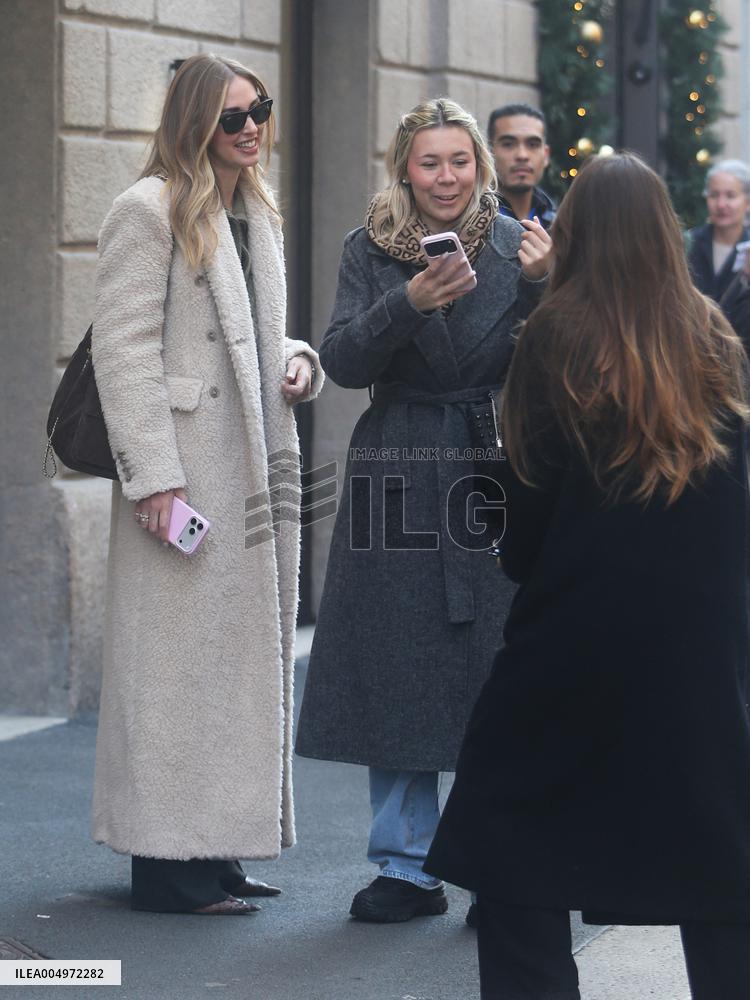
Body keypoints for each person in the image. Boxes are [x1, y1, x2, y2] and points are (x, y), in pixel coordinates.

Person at [425, 153, 750, 999]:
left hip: (572, 640)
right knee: (720, 860)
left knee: (512, 844)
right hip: (700, 651)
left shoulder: (555, 341)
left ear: (577, 238)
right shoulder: (716, 338)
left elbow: (525, 528)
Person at [295, 98, 552, 924]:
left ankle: (499, 862)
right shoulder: (367, 247)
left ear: (480, 164)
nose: (447, 177)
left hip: (494, 459)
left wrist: (547, 290)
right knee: (400, 660)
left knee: (497, 666)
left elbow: (569, 357)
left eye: (460, 161)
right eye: (430, 162)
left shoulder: (525, 249)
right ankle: (405, 868)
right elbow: (339, 357)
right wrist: (408, 300)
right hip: (400, 458)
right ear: (404, 166)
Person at [91, 54, 322, 915]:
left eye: (259, 109)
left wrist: (301, 362)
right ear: (196, 123)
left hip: (251, 468)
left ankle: (219, 848)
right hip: (186, 476)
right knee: (175, 673)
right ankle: (164, 860)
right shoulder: (146, 210)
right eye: (233, 117)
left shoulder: (252, 211)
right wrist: (153, 478)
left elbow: (257, 334)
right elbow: (124, 350)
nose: (252, 126)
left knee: (236, 667)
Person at [688, 158, 750, 305]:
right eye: (714, 195)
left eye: (730, 195)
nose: (721, 204)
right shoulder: (689, 243)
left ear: (748, 203)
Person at [487, 103, 556, 230]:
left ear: (546, 155)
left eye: (532, 144)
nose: (522, 155)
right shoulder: (468, 225)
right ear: (489, 153)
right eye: (508, 144)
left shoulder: (562, 226)